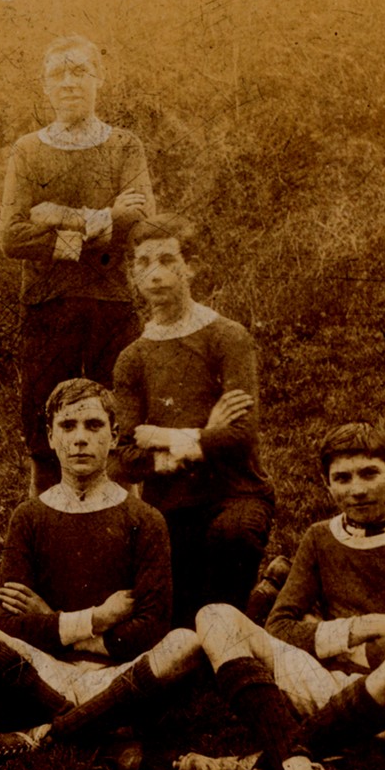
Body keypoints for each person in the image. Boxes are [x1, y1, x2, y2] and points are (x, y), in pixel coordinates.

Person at [175, 421, 385, 770]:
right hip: (328, 682)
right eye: (342, 478)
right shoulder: (319, 537)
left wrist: (323, 633)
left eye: (369, 473)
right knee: (214, 615)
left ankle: (267, 761)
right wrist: (361, 628)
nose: (357, 489)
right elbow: (280, 626)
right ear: (327, 485)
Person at [0, 378, 203, 756]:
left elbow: (150, 627)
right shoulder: (29, 516)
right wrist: (96, 619)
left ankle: (52, 732)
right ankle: (100, 726)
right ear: (51, 438)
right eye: (67, 426)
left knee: (186, 644)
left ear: (114, 436)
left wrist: (53, 619)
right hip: (46, 671)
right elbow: (12, 622)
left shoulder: (144, 518)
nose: (80, 438)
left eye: (94, 425)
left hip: (116, 672)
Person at [0, 35, 154, 494]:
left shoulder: (126, 146)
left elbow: (141, 225)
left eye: (80, 71)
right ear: (45, 87)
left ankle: (123, 530)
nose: (69, 83)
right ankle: (47, 529)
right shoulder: (28, 149)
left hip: (112, 304)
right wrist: (104, 221)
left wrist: (63, 217)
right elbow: (12, 237)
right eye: (57, 74)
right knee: (47, 431)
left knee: (120, 427)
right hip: (48, 308)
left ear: (99, 79)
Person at [111, 214, 273, 626]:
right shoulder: (133, 358)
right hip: (168, 505)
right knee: (171, 622)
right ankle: (269, 593)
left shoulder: (226, 337)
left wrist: (163, 436)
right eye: (143, 263)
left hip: (234, 494)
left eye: (167, 260)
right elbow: (125, 457)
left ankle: (248, 611)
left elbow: (240, 436)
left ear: (190, 266)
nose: (155, 274)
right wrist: (201, 440)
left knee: (230, 543)